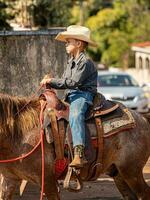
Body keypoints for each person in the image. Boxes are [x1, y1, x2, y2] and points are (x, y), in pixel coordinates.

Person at [40, 25, 98, 168]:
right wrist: (52, 81)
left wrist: (51, 81)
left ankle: (79, 153)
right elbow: (65, 80)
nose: (66, 44)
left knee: (75, 114)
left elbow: (73, 82)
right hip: (72, 94)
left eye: (68, 42)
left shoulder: (84, 62)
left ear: (78, 44)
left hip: (82, 95)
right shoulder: (71, 61)